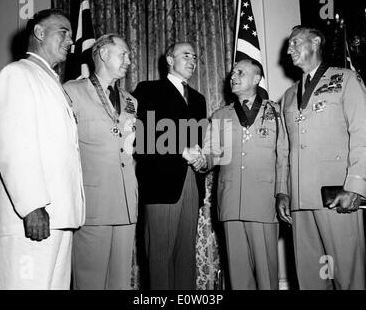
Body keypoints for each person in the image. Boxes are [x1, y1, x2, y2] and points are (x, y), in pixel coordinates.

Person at [0, 9, 85, 289]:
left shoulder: (52, 83)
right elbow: (14, 146)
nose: (71, 40)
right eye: (63, 32)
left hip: (58, 218)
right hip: (31, 218)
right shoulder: (17, 74)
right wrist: (32, 206)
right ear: (40, 33)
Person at [277, 25, 366, 289]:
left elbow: (363, 134)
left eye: (295, 42)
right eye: (289, 44)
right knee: (312, 279)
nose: (289, 49)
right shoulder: (288, 96)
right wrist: (283, 191)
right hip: (300, 202)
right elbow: (284, 149)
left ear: (315, 42)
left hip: (337, 196)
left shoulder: (347, 79)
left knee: (348, 277)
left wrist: (356, 186)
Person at [193, 59, 289, 289]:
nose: (232, 76)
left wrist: (282, 193)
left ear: (256, 79)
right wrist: (200, 160)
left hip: (264, 203)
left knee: (267, 273)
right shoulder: (219, 115)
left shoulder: (275, 111)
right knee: (237, 275)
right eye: (232, 72)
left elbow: (283, 156)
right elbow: (211, 155)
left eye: (240, 72)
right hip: (231, 202)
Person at [63, 34, 138, 290]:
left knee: (120, 283)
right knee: (90, 281)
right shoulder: (72, 91)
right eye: (123, 54)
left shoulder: (130, 101)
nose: (129, 60)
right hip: (94, 204)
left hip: (127, 203)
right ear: (104, 54)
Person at [133, 42, 207, 289]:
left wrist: (201, 158)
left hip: (191, 183)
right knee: (159, 257)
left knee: (186, 255)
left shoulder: (198, 99)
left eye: (195, 57)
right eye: (186, 55)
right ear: (169, 59)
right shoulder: (148, 90)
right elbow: (142, 136)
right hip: (160, 184)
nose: (192, 60)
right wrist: (180, 150)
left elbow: (200, 140)